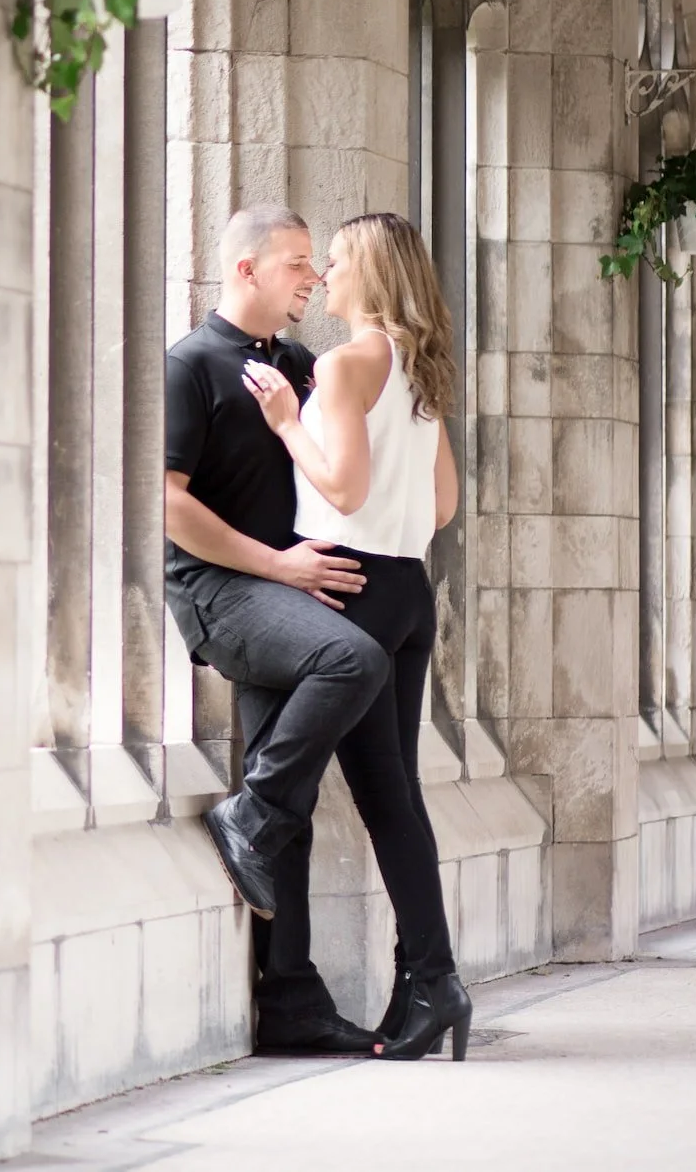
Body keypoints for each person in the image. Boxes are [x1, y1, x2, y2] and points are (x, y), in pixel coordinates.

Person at [240, 211, 471, 1061]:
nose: (325, 275)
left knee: (386, 800)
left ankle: (437, 979)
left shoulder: (341, 366)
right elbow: (443, 508)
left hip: (357, 582)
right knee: (397, 795)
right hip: (410, 587)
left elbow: (341, 488)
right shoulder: (421, 369)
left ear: (369, 272)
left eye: (335, 261)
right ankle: (426, 980)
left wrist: (286, 423)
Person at [164, 205, 388, 1056]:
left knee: (290, 789)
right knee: (350, 660)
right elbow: (166, 505)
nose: (314, 278)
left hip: (284, 595)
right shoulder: (189, 367)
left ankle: (290, 1001)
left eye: (315, 262)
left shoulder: (297, 364)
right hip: (220, 592)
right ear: (246, 270)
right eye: (297, 262)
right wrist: (281, 566)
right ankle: (249, 814)